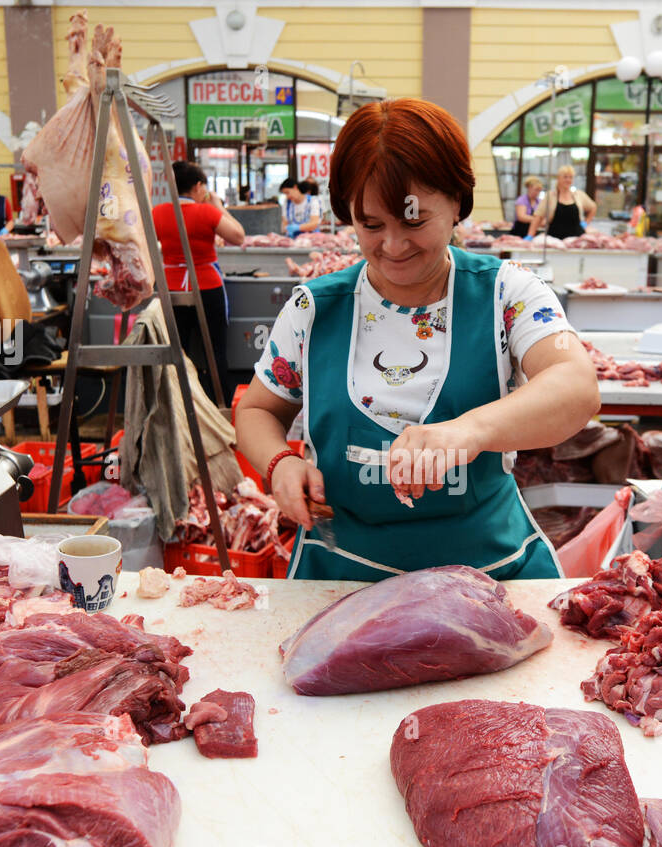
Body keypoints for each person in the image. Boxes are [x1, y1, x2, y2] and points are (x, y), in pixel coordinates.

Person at [236, 98, 600, 581]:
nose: (392, 245)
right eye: (370, 224)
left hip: (491, 576)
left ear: (457, 204)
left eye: (413, 221)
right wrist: (280, 462)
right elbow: (258, 410)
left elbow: (575, 386)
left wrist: (471, 431)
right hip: (340, 578)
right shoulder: (314, 310)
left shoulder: (507, 293)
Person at [152, 161, 246, 402]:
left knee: (176, 349)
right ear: (197, 186)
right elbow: (238, 236)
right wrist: (218, 206)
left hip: (170, 286)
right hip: (206, 285)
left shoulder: (157, 212)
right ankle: (218, 402)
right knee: (214, 351)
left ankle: (176, 403)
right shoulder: (207, 212)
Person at [529, 165, 596, 239]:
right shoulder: (550, 196)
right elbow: (538, 216)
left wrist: (585, 223)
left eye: (570, 177)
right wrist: (530, 235)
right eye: (565, 177)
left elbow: (593, 207)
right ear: (559, 178)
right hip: (554, 238)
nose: (568, 180)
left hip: (576, 238)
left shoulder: (578, 195)